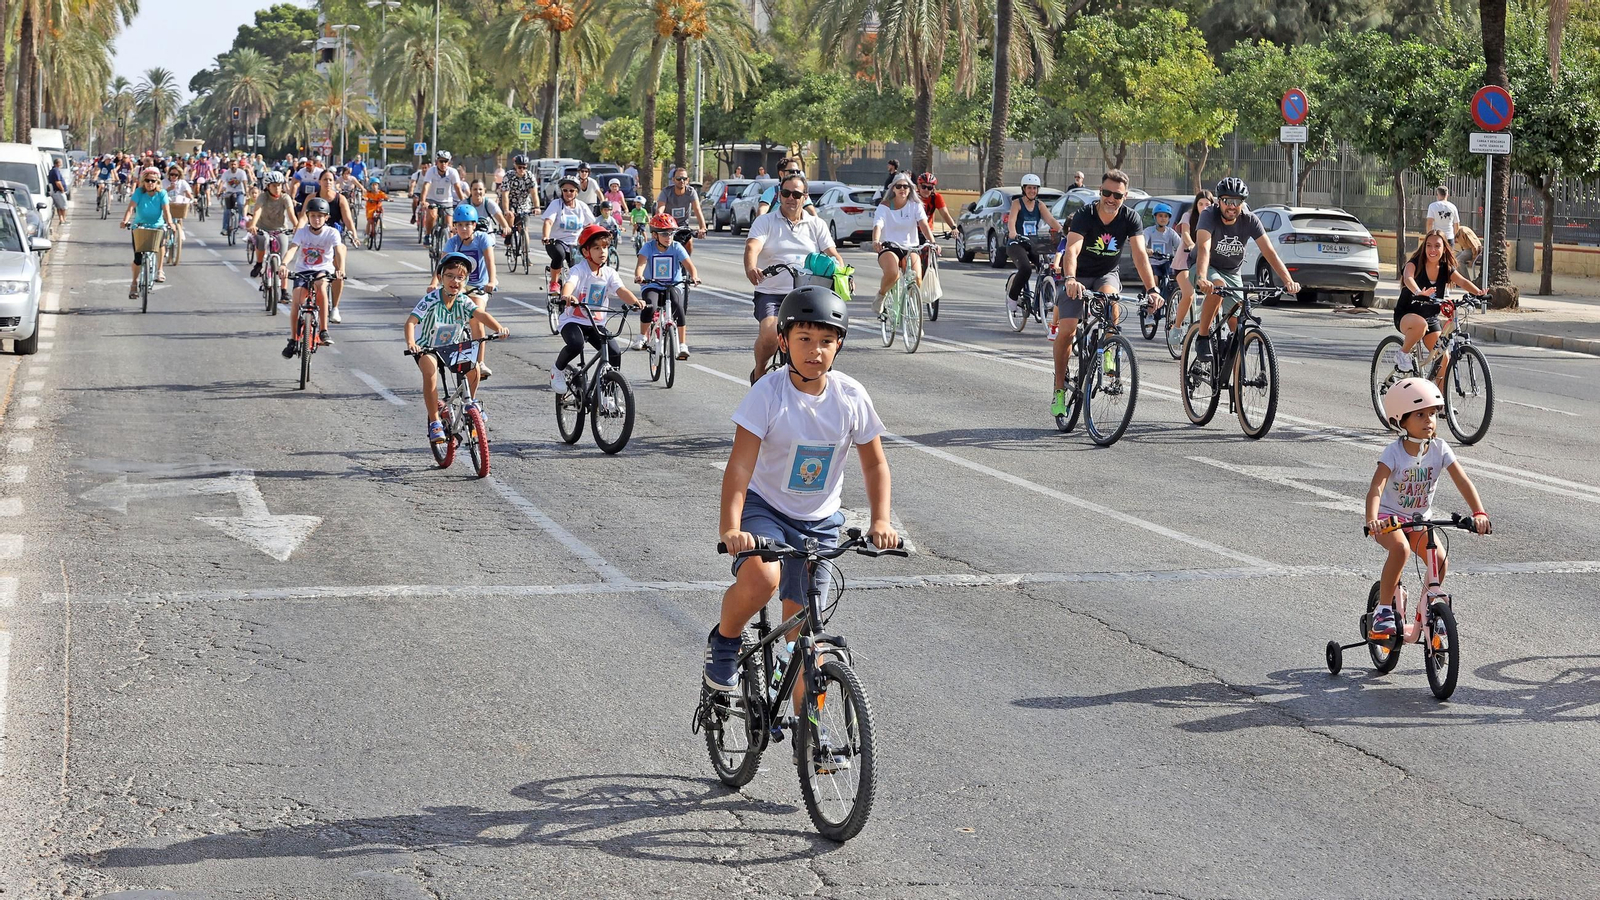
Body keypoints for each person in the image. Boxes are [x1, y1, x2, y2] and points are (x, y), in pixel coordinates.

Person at [701, 284, 898, 695]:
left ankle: (813, 748)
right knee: (762, 579)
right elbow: (739, 465)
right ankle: (725, 639)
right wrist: (730, 528)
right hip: (766, 509)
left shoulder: (850, 396)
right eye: (804, 339)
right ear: (784, 341)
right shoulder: (768, 393)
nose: (815, 350)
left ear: (839, 345)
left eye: (826, 341)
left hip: (819, 521)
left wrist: (881, 519)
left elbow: (875, 462)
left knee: (805, 638)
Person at [1364, 378, 1491, 639]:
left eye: (1433, 414)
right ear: (1401, 419)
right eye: (1420, 414)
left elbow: (1462, 481)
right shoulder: (1393, 453)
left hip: (1421, 520)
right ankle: (1384, 611)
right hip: (1389, 519)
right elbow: (1376, 489)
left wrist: (1479, 512)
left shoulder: (1440, 449)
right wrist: (1372, 520)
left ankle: (1429, 607)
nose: (1429, 421)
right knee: (1401, 549)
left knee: (1441, 561)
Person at [1051, 169, 1162, 418]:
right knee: (1068, 328)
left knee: (1112, 302)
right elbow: (1072, 250)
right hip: (1077, 276)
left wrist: (1152, 289)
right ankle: (1059, 389)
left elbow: (1140, 255)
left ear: (1126, 196)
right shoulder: (1084, 214)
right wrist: (1070, 278)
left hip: (1105, 274)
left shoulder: (1131, 218)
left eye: (1118, 195)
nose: (1111, 199)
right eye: (1107, 193)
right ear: (1100, 191)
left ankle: (1109, 350)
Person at [1189, 177, 1301, 377]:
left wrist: (1288, 281)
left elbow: (1269, 252)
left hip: (1233, 271)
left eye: (1237, 202)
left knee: (1236, 324)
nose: (1232, 206)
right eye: (1227, 201)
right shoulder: (1208, 215)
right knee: (1218, 286)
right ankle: (1203, 336)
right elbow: (1204, 248)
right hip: (1206, 268)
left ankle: (1232, 367)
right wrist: (1202, 278)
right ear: (1218, 201)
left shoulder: (1249, 219)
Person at [744, 173, 844, 384]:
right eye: (786, 193)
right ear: (779, 195)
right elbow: (753, 246)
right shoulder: (765, 221)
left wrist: (842, 270)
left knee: (828, 332)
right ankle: (760, 371)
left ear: (805, 197)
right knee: (771, 333)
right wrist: (751, 267)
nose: (791, 198)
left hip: (807, 294)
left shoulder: (816, 224)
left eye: (796, 194)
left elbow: (833, 254)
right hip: (771, 293)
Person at [405, 252, 509, 446]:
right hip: (428, 346)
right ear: (441, 277)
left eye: (460, 277)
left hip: (453, 346)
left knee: (475, 367)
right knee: (430, 373)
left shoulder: (463, 299)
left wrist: (499, 328)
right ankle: (435, 421)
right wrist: (412, 343)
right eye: (450, 276)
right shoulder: (431, 300)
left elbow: (481, 315)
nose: (455, 281)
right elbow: (410, 322)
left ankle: (471, 404)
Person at [549, 223, 644, 393]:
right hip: (573, 321)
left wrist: (636, 302)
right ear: (586, 252)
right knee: (576, 344)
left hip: (595, 324)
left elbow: (621, 290)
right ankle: (557, 370)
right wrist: (567, 296)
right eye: (597, 248)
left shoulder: (609, 273)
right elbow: (570, 284)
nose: (603, 252)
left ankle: (608, 393)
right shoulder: (579, 270)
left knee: (614, 351)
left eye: (605, 247)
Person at [1391, 230, 1483, 376]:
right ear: (1424, 247)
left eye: (1437, 246)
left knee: (1443, 360)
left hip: (1430, 318)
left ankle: (1440, 399)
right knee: (1420, 325)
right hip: (1407, 316)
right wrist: (1418, 292)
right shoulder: (1414, 264)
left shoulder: (1445, 269)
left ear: (1444, 248)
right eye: (1429, 245)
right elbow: (1408, 278)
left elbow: (1463, 281)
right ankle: (1402, 354)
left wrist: (1478, 293)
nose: (1432, 250)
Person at [280, 197, 345, 358]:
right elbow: (293, 249)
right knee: (296, 300)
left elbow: (338, 251)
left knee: (321, 285)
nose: (316, 219)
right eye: (313, 215)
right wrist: (283, 264)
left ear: (326, 218)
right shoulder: (302, 232)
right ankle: (294, 339)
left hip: (323, 269)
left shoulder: (332, 232)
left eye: (320, 216)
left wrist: (341, 269)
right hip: (303, 270)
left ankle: (323, 330)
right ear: (308, 216)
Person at [633, 213, 701, 358]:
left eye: (671, 233)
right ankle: (642, 336)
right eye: (664, 233)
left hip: (673, 284)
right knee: (650, 305)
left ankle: (682, 345)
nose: (668, 237)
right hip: (652, 285)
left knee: (678, 305)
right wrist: (639, 276)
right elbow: (641, 264)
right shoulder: (648, 247)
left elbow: (690, 266)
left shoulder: (677, 247)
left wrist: (694, 276)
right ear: (655, 235)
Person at [871, 172, 939, 316]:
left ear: (911, 189)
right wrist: (876, 240)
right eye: (899, 186)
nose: (903, 189)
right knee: (893, 273)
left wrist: (933, 243)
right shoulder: (884, 206)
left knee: (916, 278)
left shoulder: (915, 206)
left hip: (910, 248)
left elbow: (924, 224)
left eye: (906, 186)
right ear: (893, 189)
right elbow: (878, 225)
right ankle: (881, 295)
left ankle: (912, 314)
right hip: (889, 247)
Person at [1004, 173, 1063, 317]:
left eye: (1035, 188)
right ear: (1024, 189)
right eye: (1029, 188)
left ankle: (1047, 297)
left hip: (1033, 243)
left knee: (1048, 267)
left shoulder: (1039, 205)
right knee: (1025, 269)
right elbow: (1012, 221)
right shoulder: (1017, 203)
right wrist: (1012, 232)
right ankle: (1012, 297)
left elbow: (1050, 220)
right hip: (1016, 243)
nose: (1032, 191)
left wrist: (1063, 231)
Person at [302, 170, 357, 323]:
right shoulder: (312, 198)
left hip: (334, 237)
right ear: (319, 182)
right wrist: (298, 231)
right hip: (315, 237)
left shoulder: (340, 199)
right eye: (325, 179)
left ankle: (335, 308)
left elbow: (347, 218)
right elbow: (302, 217)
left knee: (338, 267)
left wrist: (354, 234)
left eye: (331, 180)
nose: (328, 182)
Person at [119, 167, 175, 298]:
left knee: (161, 244)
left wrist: (170, 223)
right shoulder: (139, 192)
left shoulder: (162, 194)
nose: (150, 183)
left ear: (157, 182)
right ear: (143, 181)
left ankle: (160, 270)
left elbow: (166, 211)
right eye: (148, 180)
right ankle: (134, 284)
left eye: (153, 181)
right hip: (139, 226)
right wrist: (125, 221)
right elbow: (130, 209)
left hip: (157, 226)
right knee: (138, 258)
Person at [1169, 189, 1214, 343]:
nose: (1204, 207)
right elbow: (1185, 233)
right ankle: (1177, 327)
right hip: (1185, 261)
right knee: (1188, 294)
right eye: (1201, 204)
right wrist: (1192, 245)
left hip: (1205, 262)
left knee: (1217, 291)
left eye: (1207, 204)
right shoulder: (1188, 216)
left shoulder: (1214, 218)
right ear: (1196, 205)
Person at [541, 176, 597, 289]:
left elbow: (591, 226)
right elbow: (548, 222)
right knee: (559, 255)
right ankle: (554, 283)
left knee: (577, 269)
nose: (568, 193)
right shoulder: (556, 204)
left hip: (575, 244)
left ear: (576, 192)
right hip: (556, 242)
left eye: (571, 190)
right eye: (565, 190)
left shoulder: (581, 206)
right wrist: (546, 236)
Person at [247, 171, 298, 287]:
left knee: (284, 258)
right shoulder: (262, 197)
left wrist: (296, 227)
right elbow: (257, 211)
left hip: (281, 229)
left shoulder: (285, 197)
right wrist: (253, 225)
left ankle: (284, 291)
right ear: (268, 186)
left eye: (279, 185)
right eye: (274, 185)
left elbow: (291, 214)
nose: (277, 188)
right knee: (261, 240)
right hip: (263, 227)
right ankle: (259, 264)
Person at [412, 151, 467, 243]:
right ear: (437, 162)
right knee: (432, 216)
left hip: (447, 201)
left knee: (450, 225)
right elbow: (426, 186)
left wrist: (464, 202)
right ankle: (428, 235)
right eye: (441, 161)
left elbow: (457, 188)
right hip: (432, 199)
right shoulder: (431, 171)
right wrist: (423, 201)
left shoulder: (453, 172)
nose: (443, 164)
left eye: (446, 161)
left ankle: (450, 245)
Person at [1141, 203, 1182, 312]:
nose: (1163, 218)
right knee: (1154, 280)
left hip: (1167, 262)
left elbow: (1180, 245)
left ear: (1169, 219)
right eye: (1160, 216)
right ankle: (1150, 313)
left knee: (1172, 281)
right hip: (1153, 263)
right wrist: (1147, 250)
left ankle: (1171, 304)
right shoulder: (1149, 231)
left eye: (1166, 216)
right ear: (1155, 217)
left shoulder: (1171, 233)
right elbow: (1142, 244)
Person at [656, 167, 707, 253]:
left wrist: (703, 228)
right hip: (668, 226)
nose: (682, 181)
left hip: (683, 226)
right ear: (673, 180)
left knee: (689, 243)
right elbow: (660, 209)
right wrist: (659, 220)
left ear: (688, 180)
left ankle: (685, 265)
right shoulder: (666, 192)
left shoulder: (691, 192)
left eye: (684, 178)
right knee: (663, 248)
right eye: (678, 178)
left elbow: (697, 210)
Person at [498, 154, 542, 237]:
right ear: (515, 166)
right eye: (519, 167)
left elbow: (534, 193)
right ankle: (509, 234)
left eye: (524, 167)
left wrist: (537, 207)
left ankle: (526, 249)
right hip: (510, 202)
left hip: (524, 203)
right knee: (510, 215)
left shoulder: (530, 177)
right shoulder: (508, 176)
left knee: (524, 228)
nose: (522, 169)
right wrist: (506, 210)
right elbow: (505, 195)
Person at [162, 165, 195, 256]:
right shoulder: (164, 182)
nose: (173, 177)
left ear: (179, 175)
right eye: (172, 174)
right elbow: (160, 193)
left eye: (176, 175)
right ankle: (164, 243)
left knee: (179, 217)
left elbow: (188, 193)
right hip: (166, 205)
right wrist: (169, 188)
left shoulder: (182, 182)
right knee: (164, 223)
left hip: (177, 205)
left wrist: (193, 199)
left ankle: (180, 231)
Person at [218, 158, 252, 233]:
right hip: (229, 192)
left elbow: (245, 183)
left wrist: (247, 192)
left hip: (239, 192)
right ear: (229, 165)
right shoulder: (226, 173)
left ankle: (241, 222)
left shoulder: (241, 172)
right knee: (227, 210)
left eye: (234, 164)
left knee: (240, 204)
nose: (233, 166)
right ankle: (225, 228)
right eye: (231, 164)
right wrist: (218, 192)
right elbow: (222, 183)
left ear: (237, 165)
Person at [363, 176, 388, 242]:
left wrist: (388, 199)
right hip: (370, 209)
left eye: (376, 185)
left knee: (382, 210)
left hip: (378, 208)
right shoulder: (369, 193)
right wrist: (366, 198)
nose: (374, 186)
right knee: (369, 221)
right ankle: (367, 236)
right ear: (370, 186)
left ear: (378, 186)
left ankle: (380, 222)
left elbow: (385, 197)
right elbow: (365, 196)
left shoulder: (380, 193)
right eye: (373, 185)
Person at [47, 159, 68, 225]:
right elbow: (58, 182)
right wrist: (62, 189)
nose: (61, 164)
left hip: (56, 191)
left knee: (59, 206)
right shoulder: (55, 171)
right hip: (58, 191)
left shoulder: (53, 170)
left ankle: (61, 220)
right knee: (63, 206)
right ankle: (63, 220)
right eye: (61, 163)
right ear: (57, 163)